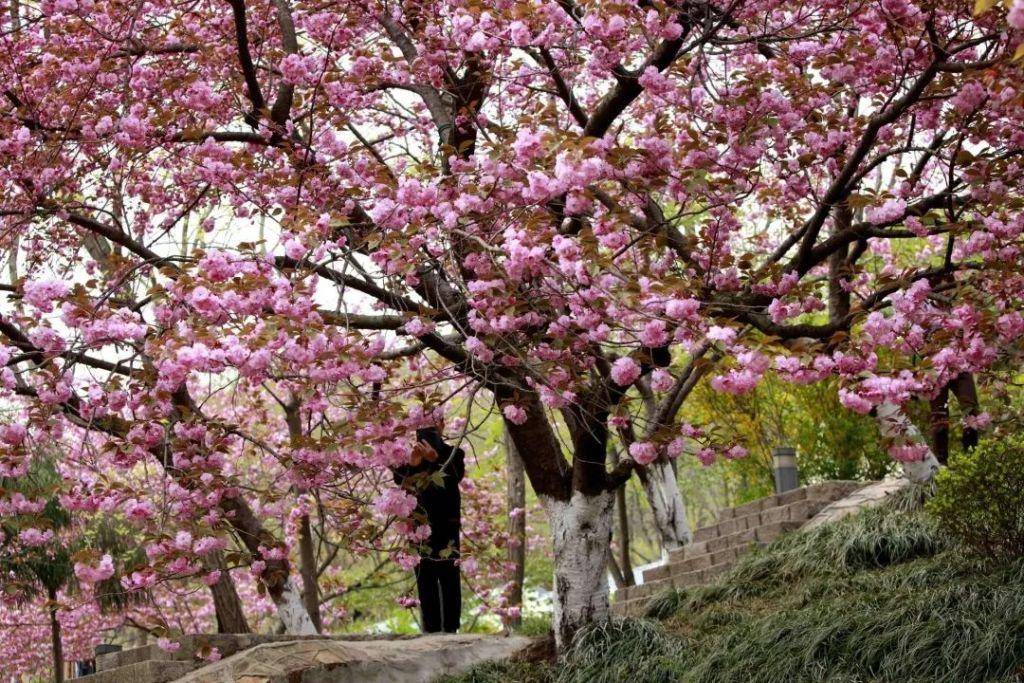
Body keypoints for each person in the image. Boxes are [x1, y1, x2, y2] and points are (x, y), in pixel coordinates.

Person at [391, 426, 466, 633]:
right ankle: (431, 629)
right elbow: (399, 481)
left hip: (447, 524)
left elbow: (455, 478)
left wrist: (436, 460)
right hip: (417, 526)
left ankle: (451, 628)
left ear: (441, 425)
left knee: (450, 576)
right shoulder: (408, 455)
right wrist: (412, 466)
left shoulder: (454, 453)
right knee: (425, 578)